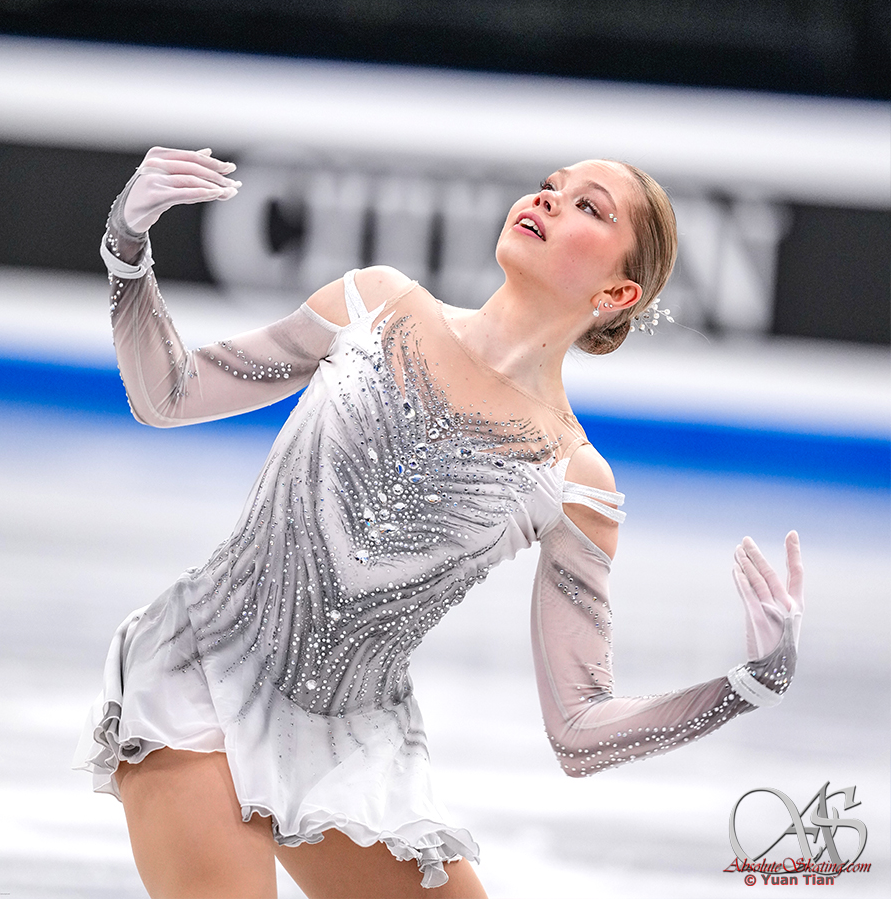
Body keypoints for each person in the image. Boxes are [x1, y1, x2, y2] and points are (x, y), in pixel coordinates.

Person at [76, 147, 804, 899]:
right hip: (199, 675)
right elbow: (168, 394)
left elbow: (579, 730)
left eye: (590, 206)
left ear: (619, 293)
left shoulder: (576, 481)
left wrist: (745, 687)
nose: (549, 200)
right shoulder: (374, 304)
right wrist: (127, 245)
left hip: (350, 747)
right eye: (551, 187)